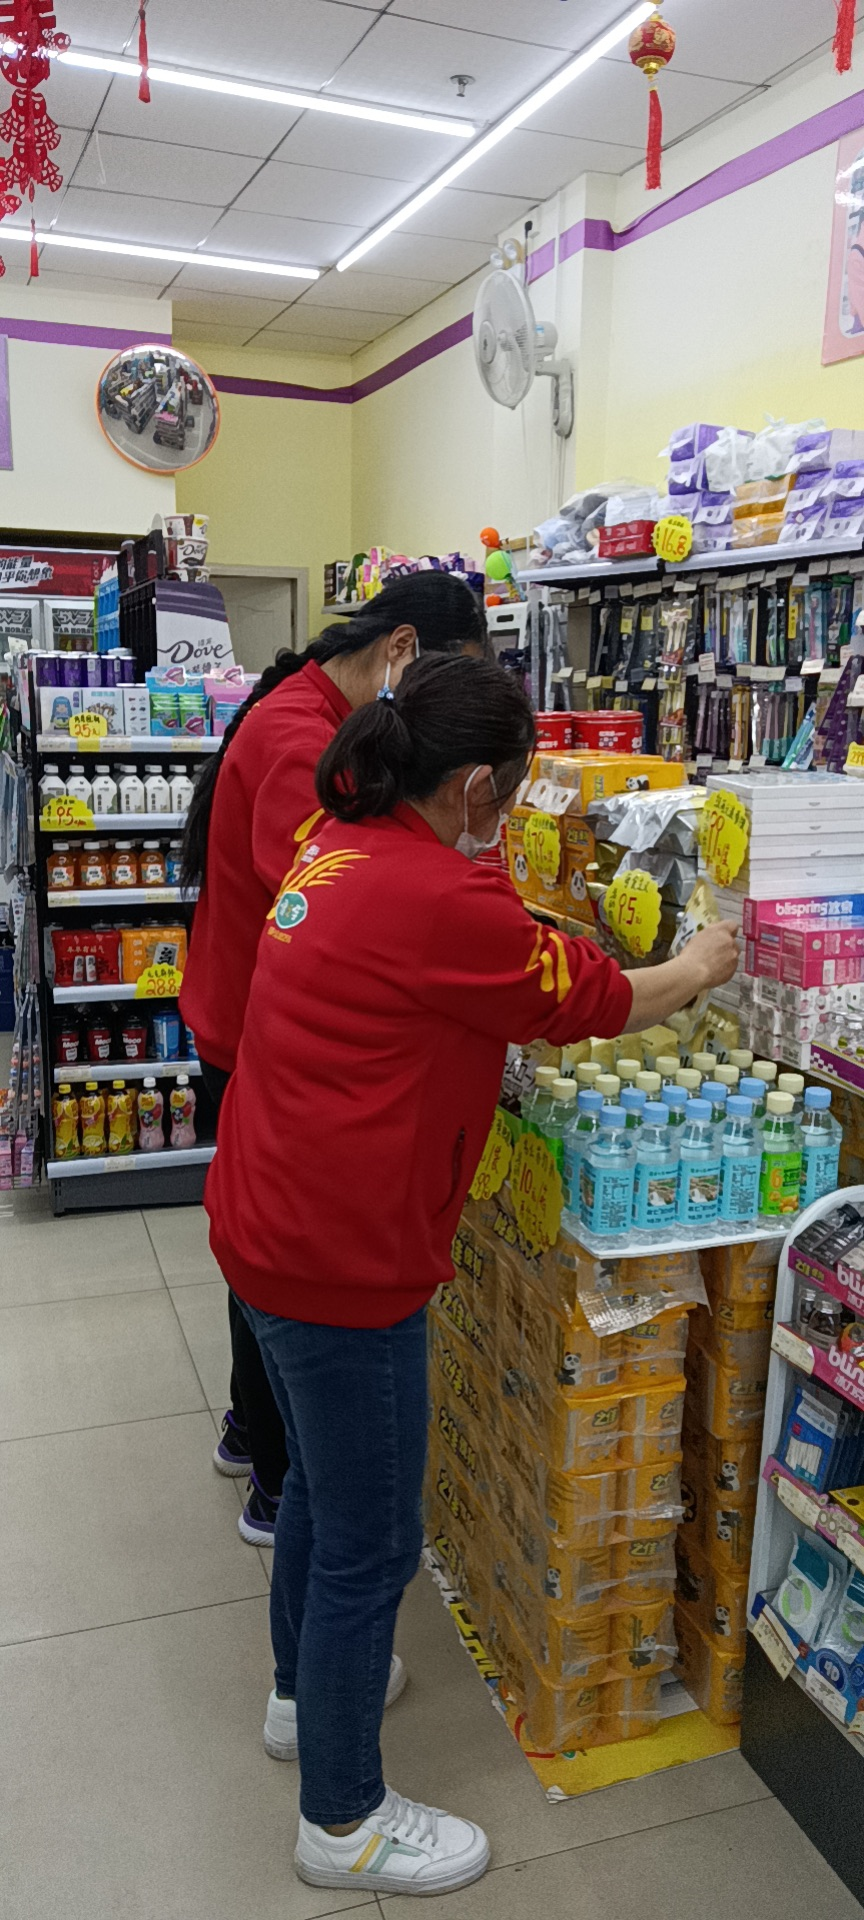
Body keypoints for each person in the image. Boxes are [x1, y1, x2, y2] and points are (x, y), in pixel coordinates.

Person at [204, 653, 738, 1898]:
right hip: (342, 1260)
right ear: (479, 788)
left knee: (323, 1488)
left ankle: (298, 1698)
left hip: (268, 1221)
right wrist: (701, 966)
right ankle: (343, 1822)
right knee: (372, 1542)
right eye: (516, 791)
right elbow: (589, 998)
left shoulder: (343, 843)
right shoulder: (439, 900)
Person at [180, 574, 487, 1545]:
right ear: (401, 650)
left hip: (244, 1018)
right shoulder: (299, 733)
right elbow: (326, 897)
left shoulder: (310, 709)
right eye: (444, 681)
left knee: (257, 1271)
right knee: (274, 1272)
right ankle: (277, 1482)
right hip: (250, 1029)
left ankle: (249, 1430)